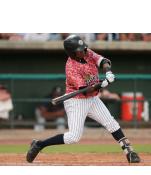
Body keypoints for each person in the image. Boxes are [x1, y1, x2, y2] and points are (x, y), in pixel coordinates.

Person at [26, 34, 140, 164]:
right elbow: (87, 89)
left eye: (84, 48)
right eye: (80, 50)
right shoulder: (71, 67)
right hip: (77, 101)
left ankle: (129, 151)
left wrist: (107, 72)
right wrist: (104, 83)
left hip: (93, 98)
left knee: (111, 123)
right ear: (72, 53)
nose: (84, 51)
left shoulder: (87, 53)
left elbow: (103, 61)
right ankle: (39, 144)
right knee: (73, 137)